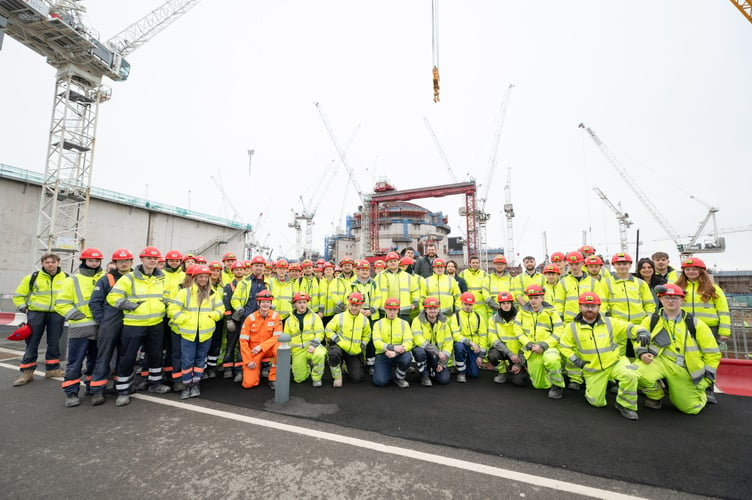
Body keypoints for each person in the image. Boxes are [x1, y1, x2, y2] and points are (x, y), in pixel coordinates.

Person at [558, 292, 650, 420]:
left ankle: (625, 405)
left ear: (599, 307)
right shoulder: (571, 328)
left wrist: (641, 331)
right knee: (596, 402)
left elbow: (628, 327)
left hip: (614, 363)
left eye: (593, 306)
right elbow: (564, 346)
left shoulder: (610, 322)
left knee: (630, 375)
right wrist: (576, 360)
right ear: (580, 307)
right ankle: (599, 388)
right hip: (593, 370)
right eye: (586, 306)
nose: (589, 309)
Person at [636, 284, 721, 414]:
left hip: (685, 369)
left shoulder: (696, 324)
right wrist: (642, 354)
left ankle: (697, 394)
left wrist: (705, 381)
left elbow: (713, 354)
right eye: (667, 297)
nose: (670, 301)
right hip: (659, 361)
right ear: (660, 299)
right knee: (634, 373)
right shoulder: (651, 320)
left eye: (675, 298)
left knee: (690, 409)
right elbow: (640, 341)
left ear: (682, 300)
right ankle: (656, 396)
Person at [107, 246, 171, 406]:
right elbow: (113, 297)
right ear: (141, 259)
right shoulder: (129, 278)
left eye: (155, 258)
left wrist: (165, 304)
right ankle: (123, 390)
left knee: (155, 355)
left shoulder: (161, 278)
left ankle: (155, 384)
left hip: (156, 323)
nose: (152, 261)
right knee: (127, 357)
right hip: (134, 324)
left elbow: (167, 295)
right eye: (149, 258)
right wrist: (128, 305)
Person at [675, 257, 730, 404]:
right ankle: (690, 388)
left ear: (701, 271)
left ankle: (708, 389)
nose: (691, 272)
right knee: (687, 359)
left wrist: (724, 331)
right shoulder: (678, 288)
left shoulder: (713, 288)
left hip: (709, 330)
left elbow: (723, 311)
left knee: (709, 359)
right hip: (685, 328)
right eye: (687, 270)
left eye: (694, 269)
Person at [55, 248, 104, 407]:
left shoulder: (104, 278)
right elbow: (61, 303)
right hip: (80, 327)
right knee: (75, 362)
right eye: (90, 260)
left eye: (97, 261)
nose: (94, 263)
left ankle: (93, 388)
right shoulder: (72, 280)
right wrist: (77, 315)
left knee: (96, 361)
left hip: (99, 327)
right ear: (84, 261)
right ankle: (71, 393)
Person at [168, 265, 224, 399]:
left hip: (205, 333)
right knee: (187, 360)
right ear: (195, 278)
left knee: (200, 360)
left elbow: (220, 310)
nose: (203, 279)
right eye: (201, 277)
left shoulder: (213, 294)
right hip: (188, 333)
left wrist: (212, 317)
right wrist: (184, 319)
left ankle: (196, 384)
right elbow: (173, 310)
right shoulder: (185, 293)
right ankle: (186, 385)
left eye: (206, 277)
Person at [12, 253, 68, 386]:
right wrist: (24, 309)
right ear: (42, 263)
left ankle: (53, 369)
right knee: (32, 343)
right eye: (47, 262)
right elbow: (19, 295)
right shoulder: (32, 277)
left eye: (53, 262)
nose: (50, 264)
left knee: (54, 342)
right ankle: (27, 372)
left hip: (56, 313)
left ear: (58, 263)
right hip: (36, 314)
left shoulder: (66, 278)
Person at [89, 248, 133, 405]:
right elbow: (95, 302)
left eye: (126, 261)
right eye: (120, 261)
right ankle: (97, 390)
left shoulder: (136, 278)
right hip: (110, 322)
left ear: (131, 262)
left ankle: (121, 388)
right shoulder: (106, 279)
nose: (123, 264)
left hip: (130, 322)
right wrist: (102, 320)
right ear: (115, 263)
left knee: (125, 357)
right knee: (104, 356)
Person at [515, 285, 566, 399]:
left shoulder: (551, 312)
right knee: (539, 385)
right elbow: (517, 331)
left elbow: (559, 330)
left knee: (552, 360)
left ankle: (557, 386)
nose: (533, 300)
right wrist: (528, 344)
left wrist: (544, 345)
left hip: (549, 347)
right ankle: (548, 377)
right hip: (532, 349)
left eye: (536, 297)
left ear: (542, 298)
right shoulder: (522, 312)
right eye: (531, 298)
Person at [603, 253, 656, 357]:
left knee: (641, 352)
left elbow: (649, 303)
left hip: (639, 324)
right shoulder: (606, 283)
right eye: (619, 264)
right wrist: (604, 320)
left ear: (630, 265)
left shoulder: (640, 283)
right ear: (614, 265)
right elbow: (602, 303)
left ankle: (641, 372)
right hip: (617, 325)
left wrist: (648, 319)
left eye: (625, 264)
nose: (622, 266)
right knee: (617, 355)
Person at [326, 292, 372, 387]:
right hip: (340, 347)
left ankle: (346, 366)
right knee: (333, 354)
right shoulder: (339, 317)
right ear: (348, 304)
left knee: (357, 378)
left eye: (357, 305)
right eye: (352, 305)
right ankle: (337, 377)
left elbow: (367, 335)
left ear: (361, 306)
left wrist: (362, 345)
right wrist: (337, 340)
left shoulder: (364, 320)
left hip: (354, 351)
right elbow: (328, 329)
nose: (354, 307)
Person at [239, 290, 282, 389]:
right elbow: (243, 341)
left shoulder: (276, 317)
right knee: (248, 384)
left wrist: (261, 347)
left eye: (268, 302)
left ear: (271, 303)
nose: (265, 304)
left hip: (269, 348)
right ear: (258, 303)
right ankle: (252, 370)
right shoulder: (250, 318)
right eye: (263, 302)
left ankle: (273, 378)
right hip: (254, 351)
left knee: (280, 349)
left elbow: (277, 337)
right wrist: (248, 360)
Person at [284, 292, 327, 386]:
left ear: (307, 303)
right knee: (299, 379)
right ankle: (306, 365)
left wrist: (314, 345)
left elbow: (320, 332)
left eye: (304, 302)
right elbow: (287, 337)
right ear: (295, 304)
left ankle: (316, 378)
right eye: (299, 303)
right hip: (297, 351)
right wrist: (289, 352)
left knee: (319, 355)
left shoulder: (314, 317)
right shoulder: (289, 320)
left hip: (312, 347)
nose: (302, 305)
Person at [486, 292, 528, 386]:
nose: (506, 305)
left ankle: (518, 369)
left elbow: (526, 341)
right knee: (492, 355)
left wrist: (519, 363)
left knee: (519, 382)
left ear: (512, 304)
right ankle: (502, 372)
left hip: (518, 354)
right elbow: (493, 339)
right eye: (503, 303)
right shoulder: (492, 319)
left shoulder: (521, 318)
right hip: (504, 352)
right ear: (499, 305)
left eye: (508, 303)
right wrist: (509, 354)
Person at [411, 296, 454, 386]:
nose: (433, 310)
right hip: (425, 353)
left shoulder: (444, 322)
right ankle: (424, 376)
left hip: (438, 356)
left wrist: (442, 363)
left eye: (435, 308)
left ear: (438, 309)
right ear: (425, 309)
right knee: (419, 351)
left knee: (444, 380)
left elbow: (448, 343)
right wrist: (437, 352)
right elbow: (419, 340)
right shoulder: (417, 321)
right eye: (430, 308)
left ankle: (432, 370)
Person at [372, 297, 413, 388]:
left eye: (394, 310)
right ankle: (384, 369)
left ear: (398, 310)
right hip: (383, 354)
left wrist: (396, 352)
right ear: (385, 309)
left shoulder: (404, 323)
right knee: (380, 382)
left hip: (399, 353)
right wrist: (392, 348)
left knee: (407, 357)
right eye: (389, 309)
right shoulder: (378, 324)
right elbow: (377, 343)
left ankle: (399, 378)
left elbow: (409, 342)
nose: (392, 312)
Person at [349, 260, 381, 372]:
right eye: (362, 270)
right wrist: (359, 310)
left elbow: (378, 298)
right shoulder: (352, 284)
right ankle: (358, 361)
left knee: (371, 339)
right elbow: (348, 298)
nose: (364, 272)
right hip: (357, 313)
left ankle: (371, 363)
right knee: (357, 337)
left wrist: (371, 310)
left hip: (372, 315)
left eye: (366, 270)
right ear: (358, 271)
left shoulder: (374, 283)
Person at [450, 292, 488, 383]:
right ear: (461, 304)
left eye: (470, 304)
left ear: (473, 304)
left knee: (473, 375)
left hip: (474, 349)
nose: (468, 306)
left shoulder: (478, 317)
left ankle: (465, 364)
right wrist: (470, 342)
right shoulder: (456, 316)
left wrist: (481, 356)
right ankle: (461, 372)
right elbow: (456, 335)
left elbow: (483, 337)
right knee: (458, 347)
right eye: (465, 304)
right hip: (464, 344)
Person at [375, 251, 419, 323]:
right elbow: (374, 294)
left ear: (398, 262)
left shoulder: (407, 276)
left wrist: (415, 303)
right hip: (385, 312)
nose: (393, 263)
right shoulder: (379, 277)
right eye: (390, 261)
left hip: (403, 312)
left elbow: (415, 291)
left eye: (395, 261)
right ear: (387, 263)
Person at [222, 260, 247, 382]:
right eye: (236, 270)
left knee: (242, 346)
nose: (239, 271)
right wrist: (228, 320)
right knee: (230, 344)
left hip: (245, 320)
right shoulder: (229, 286)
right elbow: (226, 304)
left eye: (241, 269)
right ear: (233, 272)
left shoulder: (248, 285)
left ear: (244, 271)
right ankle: (227, 368)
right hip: (233, 319)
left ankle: (239, 369)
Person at [482, 255, 513, 320]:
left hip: (506, 312)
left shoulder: (511, 279)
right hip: (491, 312)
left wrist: (504, 306)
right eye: (497, 264)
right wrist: (495, 306)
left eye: (501, 264)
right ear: (494, 265)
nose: (499, 266)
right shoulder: (488, 278)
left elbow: (513, 294)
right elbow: (485, 294)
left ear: (505, 265)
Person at [318, 261, 347, 326]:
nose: (328, 271)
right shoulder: (320, 282)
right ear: (324, 271)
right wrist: (320, 311)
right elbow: (320, 297)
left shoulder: (338, 282)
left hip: (334, 313)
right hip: (322, 314)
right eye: (326, 269)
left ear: (333, 271)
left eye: (330, 269)